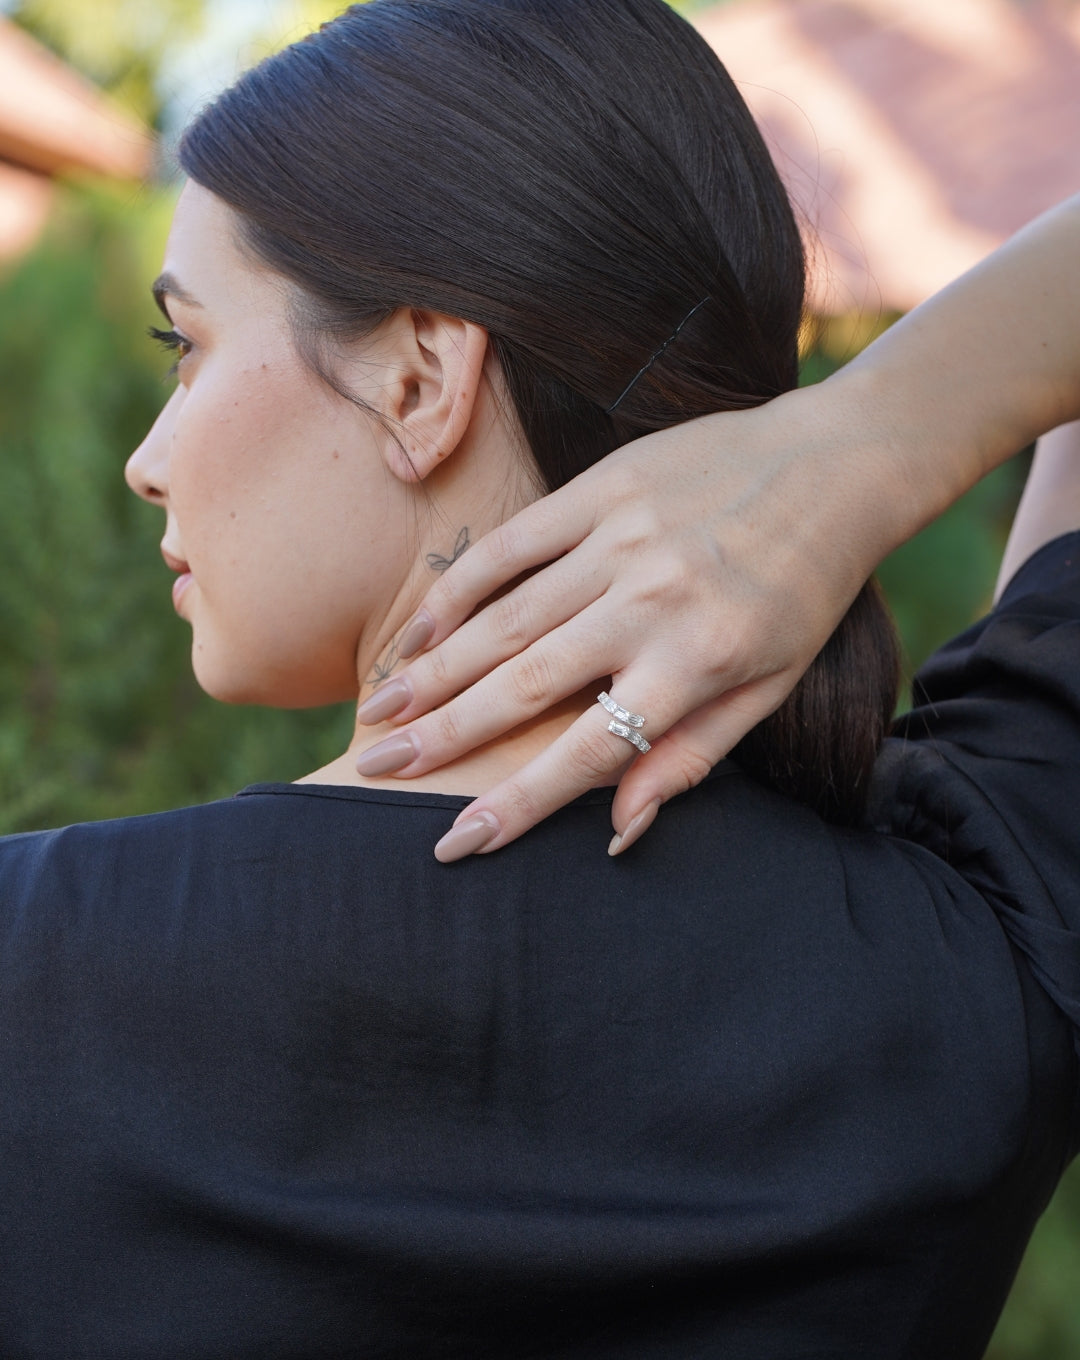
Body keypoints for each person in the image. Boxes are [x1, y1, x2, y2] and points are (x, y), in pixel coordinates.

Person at [0, 3, 1077, 1358]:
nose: (147, 457)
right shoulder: (979, 959)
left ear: (418, 379)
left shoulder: (31, 975)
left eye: (189, 345)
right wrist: (869, 442)